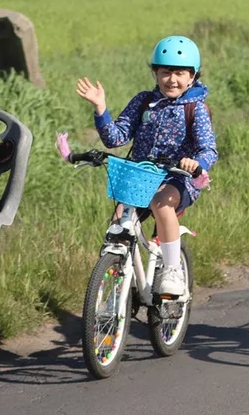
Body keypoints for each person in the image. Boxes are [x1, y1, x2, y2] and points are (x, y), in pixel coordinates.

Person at [76, 36, 218, 296]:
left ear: (192, 76)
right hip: (141, 175)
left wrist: (196, 163)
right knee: (118, 226)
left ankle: (172, 270)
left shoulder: (195, 108)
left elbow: (209, 149)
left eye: (179, 73)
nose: (171, 79)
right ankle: (118, 283)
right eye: (165, 72)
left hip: (178, 177)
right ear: (155, 73)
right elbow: (115, 137)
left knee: (161, 203)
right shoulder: (144, 102)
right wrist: (100, 108)